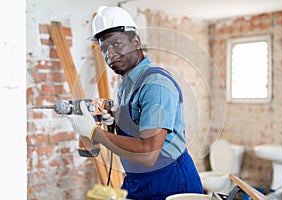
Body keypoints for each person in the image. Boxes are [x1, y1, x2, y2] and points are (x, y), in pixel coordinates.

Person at [70, 6, 204, 200]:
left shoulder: (156, 84)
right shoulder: (127, 85)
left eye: (116, 44)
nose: (110, 54)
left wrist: (94, 132)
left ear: (136, 41)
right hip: (139, 181)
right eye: (104, 48)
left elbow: (149, 153)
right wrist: (117, 119)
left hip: (170, 181)